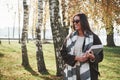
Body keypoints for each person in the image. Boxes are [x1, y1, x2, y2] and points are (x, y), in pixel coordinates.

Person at [60, 13, 103, 80]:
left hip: (89, 73)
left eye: (77, 21)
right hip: (71, 72)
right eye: (73, 21)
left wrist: (93, 57)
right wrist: (76, 58)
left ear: (83, 22)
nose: (75, 23)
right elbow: (63, 53)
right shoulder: (69, 37)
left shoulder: (94, 37)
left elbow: (100, 56)